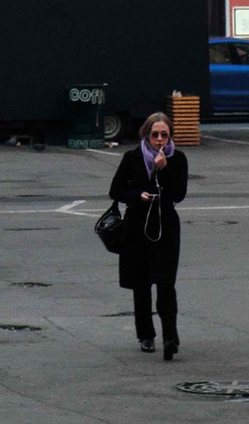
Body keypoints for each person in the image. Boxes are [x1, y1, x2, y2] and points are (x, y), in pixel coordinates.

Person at [108, 110, 189, 359]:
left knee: (166, 283)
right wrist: (137, 196)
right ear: (146, 135)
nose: (160, 140)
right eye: (155, 135)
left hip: (165, 224)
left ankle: (170, 337)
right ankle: (146, 335)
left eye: (164, 135)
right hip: (137, 225)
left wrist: (163, 169)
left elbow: (178, 194)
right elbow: (115, 190)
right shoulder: (132, 158)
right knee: (140, 284)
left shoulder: (178, 159)